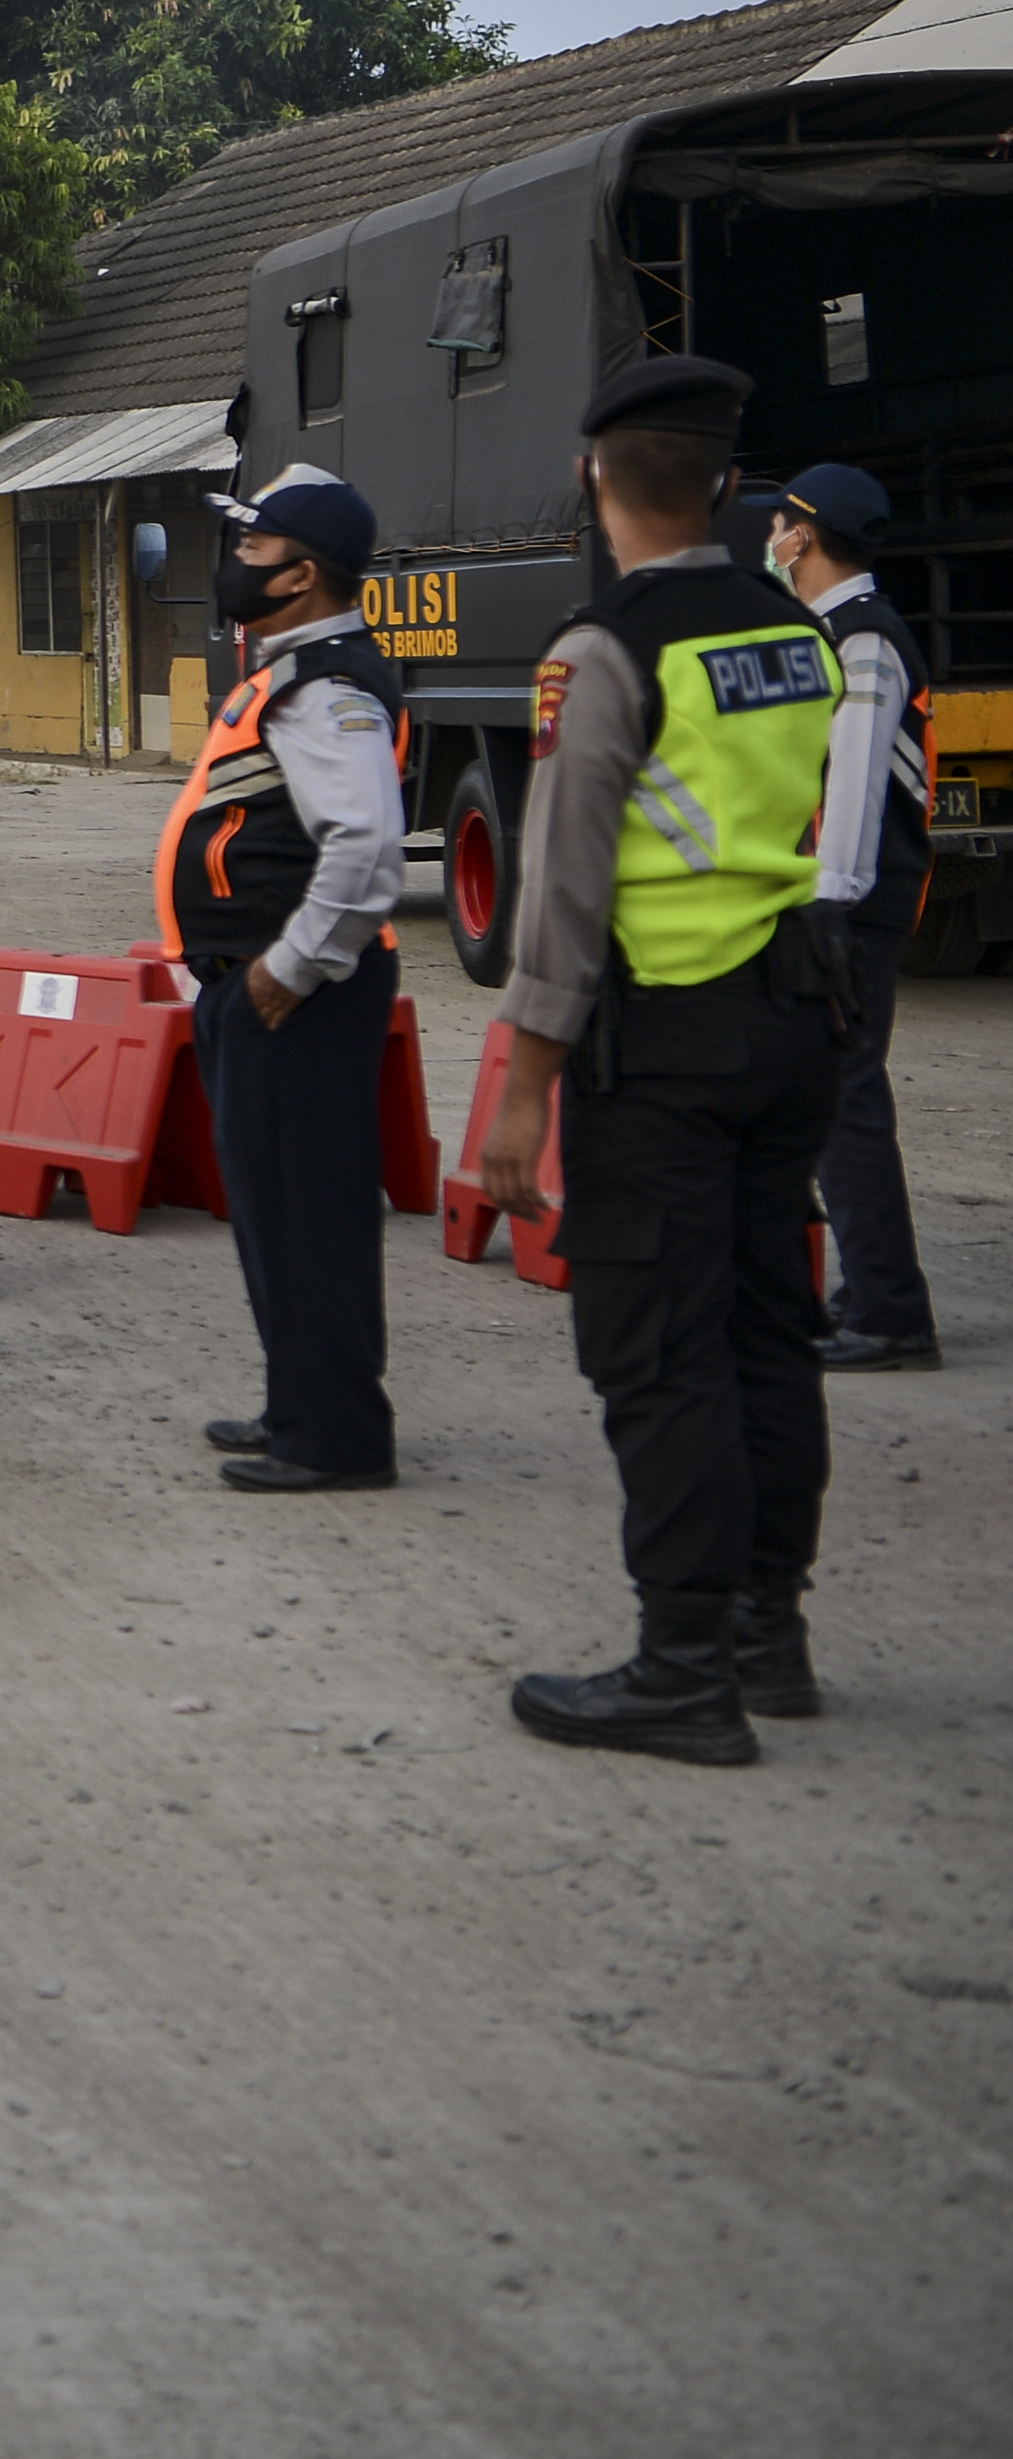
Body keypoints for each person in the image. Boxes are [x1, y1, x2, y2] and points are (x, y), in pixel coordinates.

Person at [477, 356, 845, 1764]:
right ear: (731, 487)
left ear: (592, 478)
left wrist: (521, 1089)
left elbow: (566, 897)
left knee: (659, 1349)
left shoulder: (603, 650)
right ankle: (770, 1631)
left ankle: (682, 1665)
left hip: (667, 1044)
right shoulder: (793, 632)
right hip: (790, 1027)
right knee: (769, 1330)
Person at [156, 465, 410, 1494]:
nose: (235, 566)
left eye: (252, 550)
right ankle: (296, 1401)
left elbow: (366, 846)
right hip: (256, 989)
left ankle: (338, 1433)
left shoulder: (329, 685)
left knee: (313, 1217)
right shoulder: (292, 670)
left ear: (301, 574)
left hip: (293, 997)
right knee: (272, 1211)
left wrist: (284, 972)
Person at [762, 463, 941, 1373]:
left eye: (784, 521)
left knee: (847, 1100)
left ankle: (891, 1312)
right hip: (843, 898)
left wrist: (831, 903)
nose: (774, 535)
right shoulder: (831, 631)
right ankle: (866, 1292)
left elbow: (861, 782)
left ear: (808, 536)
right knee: (834, 1096)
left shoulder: (863, 638)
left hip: (858, 902)